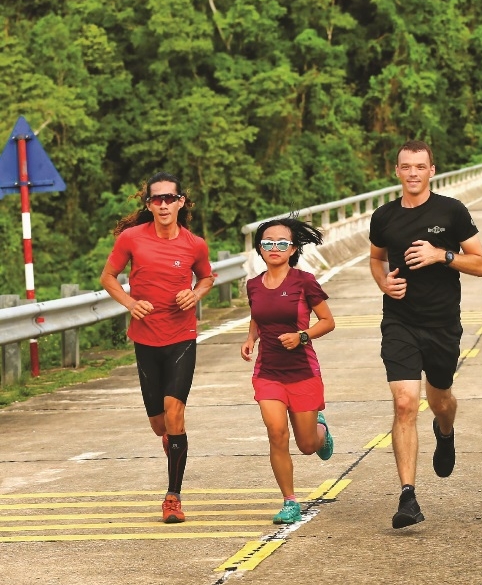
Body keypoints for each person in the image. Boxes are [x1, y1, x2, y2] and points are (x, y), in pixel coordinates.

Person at [369, 140, 482, 528]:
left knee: (441, 399)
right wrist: (383, 283)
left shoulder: (451, 212)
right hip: (400, 321)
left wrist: (442, 255)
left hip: (442, 325)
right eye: (406, 167)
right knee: (404, 403)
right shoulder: (383, 217)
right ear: (397, 171)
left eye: (420, 166)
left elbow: (480, 263)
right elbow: (375, 257)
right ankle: (408, 497)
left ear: (432, 170)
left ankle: (445, 430)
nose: (413, 173)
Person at [100, 172, 215, 524]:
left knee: (175, 413)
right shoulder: (132, 239)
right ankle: (172, 443)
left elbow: (207, 276)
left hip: (182, 337)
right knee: (159, 425)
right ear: (148, 204)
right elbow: (108, 277)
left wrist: (194, 293)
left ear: (182, 202)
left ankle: (172, 497)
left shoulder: (195, 244)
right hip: (146, 339)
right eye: (156, 199)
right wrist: (130, 302)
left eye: (170, 198)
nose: (163, 205)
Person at [240, 218, 335, 525]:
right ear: (259, 248)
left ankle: (321, 432)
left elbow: (327, 321)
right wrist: (250, 338)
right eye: (268, 243)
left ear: (293, 248)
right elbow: (258, 316)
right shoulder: (253, 285)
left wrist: (302, 335)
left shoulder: (304, 281)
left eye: (282, 243)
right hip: (268, 373)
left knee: (307, 445)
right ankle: (289, 501)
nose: (275, 248)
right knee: (276, 433)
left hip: (302, 372)